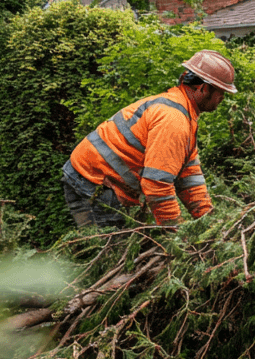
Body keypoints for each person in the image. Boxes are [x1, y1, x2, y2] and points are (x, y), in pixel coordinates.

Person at [61, 49, 237, 228]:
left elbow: (189, 178)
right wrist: (176, 232)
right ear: (203, 87)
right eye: (221, 91)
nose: (222, 97)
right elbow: (157, 185)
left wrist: (209, 221)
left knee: (125, 243)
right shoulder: (174, 120)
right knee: (110, 249)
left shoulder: (184, 116)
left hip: (94, 178)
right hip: (91, 181)